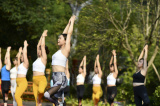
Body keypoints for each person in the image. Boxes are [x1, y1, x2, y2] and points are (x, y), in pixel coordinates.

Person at [44, 15, 76, 106]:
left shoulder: (65, 51)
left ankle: (57, 103)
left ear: (65, 41)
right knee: (60, 100)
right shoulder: (59, 50)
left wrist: (72, 22)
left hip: (60, 78)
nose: (58, 39)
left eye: (60, 38)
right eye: (58, 38)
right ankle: (59, 103)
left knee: (47, 94)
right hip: (54, 77)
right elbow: (64, 34)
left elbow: (68, 34)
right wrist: (68, 23)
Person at [33, 30, 49, 106]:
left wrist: (44, 36)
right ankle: (39, 102)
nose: (38, 51)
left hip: (41, 79)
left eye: (40, 50)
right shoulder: (38, 58)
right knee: (37, 101)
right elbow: (38, 45)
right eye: (38, 50)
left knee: (41, 91)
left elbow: (42, 46)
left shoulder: (44, 58)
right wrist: (41, 36)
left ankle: (44, 97)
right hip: (34, 80)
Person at [15, 40, 29, 106]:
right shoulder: (20, 64)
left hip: (23, 82)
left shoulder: (26, 63)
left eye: (22, 57)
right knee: (17, 97)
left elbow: (25, 54)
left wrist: (25, 46)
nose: (21, 58)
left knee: (17, 96)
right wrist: (20, 52)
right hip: (18, 82)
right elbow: (17, 58)